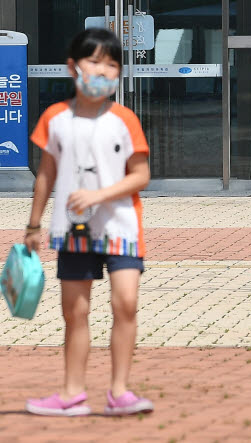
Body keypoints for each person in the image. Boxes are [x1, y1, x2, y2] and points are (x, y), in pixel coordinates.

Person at [24, 27, 154, 417]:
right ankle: (71, 393)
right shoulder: (55, 118)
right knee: (75, 311)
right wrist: (33, 225)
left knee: (126, 303)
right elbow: (46, 175)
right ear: (72, 66)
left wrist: (99, 195)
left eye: (112, 65)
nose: (102, 71)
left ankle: (120, 391)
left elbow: (141, 174)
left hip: (121, 227)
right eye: (94, 61)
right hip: (72, 231)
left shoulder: (124, 119)